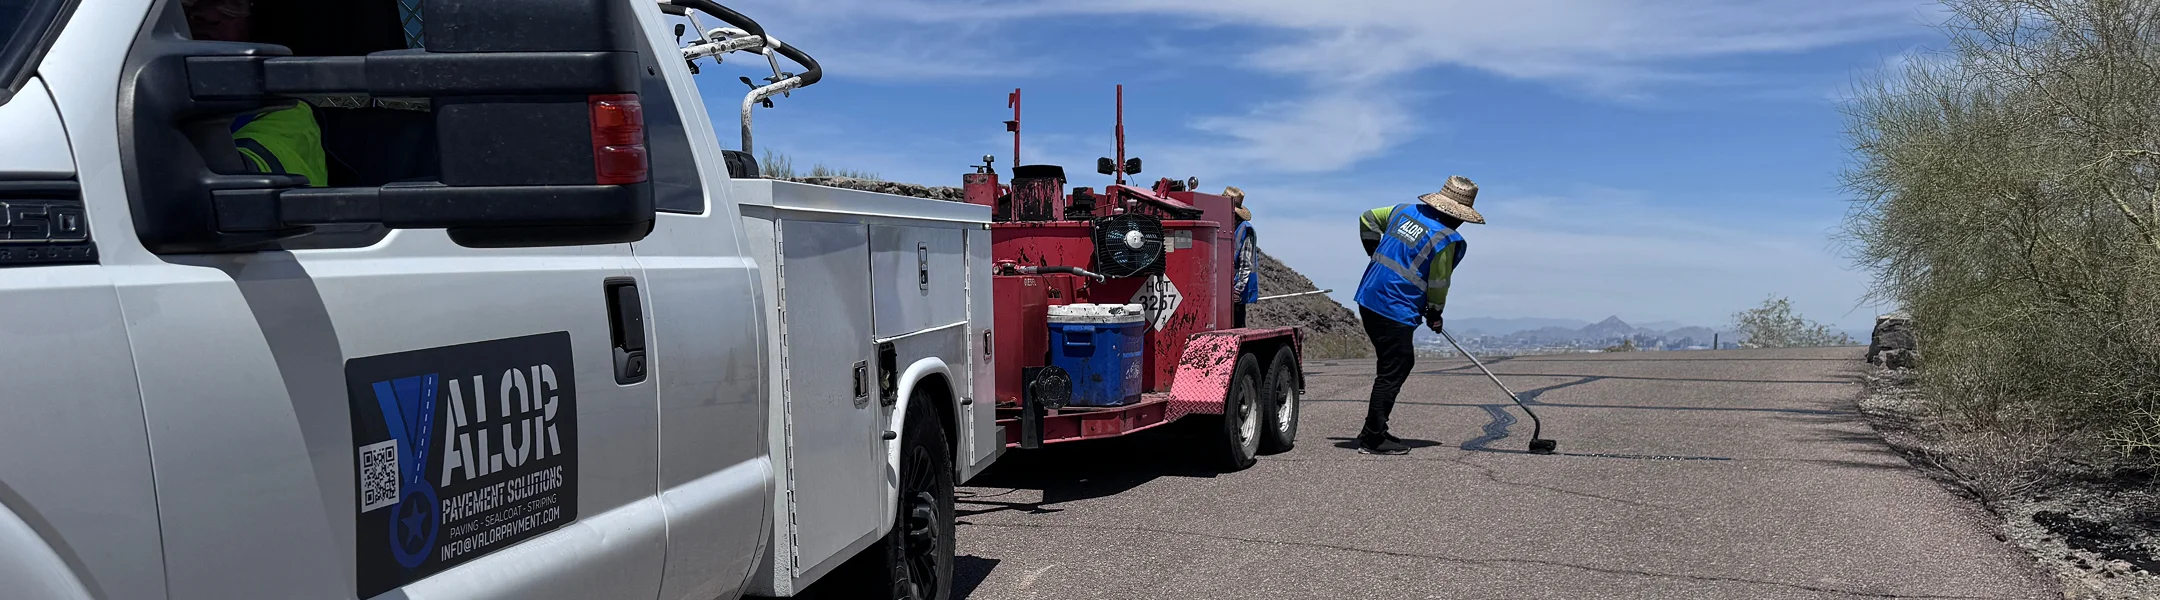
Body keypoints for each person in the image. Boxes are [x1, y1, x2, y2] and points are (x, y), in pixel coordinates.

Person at [1351, 176, 1483, 455]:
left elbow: (1367, 218)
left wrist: (1374, 253)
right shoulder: (1447, 239)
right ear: (1458, 215)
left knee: (1393, 364)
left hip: (1369, 296)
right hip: (1394, 307)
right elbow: (1438, 283)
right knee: (1394, 367)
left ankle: (1375, 429)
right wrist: (1435, 313)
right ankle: (1372, 438)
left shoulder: (1403, 211)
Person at [184, 0, 330, 187]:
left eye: (232, 3)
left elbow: (242, 189)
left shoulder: (287, 114)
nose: (207, 15)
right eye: (187, 1)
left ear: (255, 22)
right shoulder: (136, 94)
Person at [1225, 186, 1259, 328]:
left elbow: (1246, 264)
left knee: (1237, 326)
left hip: (1237, 290)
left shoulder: (1245, 230)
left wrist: (1237, 290)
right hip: (1227, 288)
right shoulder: (1228, 228)